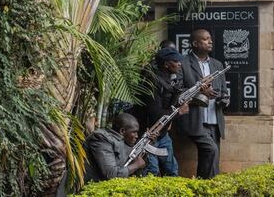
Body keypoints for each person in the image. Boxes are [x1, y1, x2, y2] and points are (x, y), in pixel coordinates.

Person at [177, 28, 229, 179]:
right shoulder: (183, 63)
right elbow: (177, 92)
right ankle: (209, 187)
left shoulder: (217, 65)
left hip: (214, 120)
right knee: (211, 150)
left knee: (212, 157)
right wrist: (200, 93)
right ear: (195, 43)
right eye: (206, 39)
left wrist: (224, 100)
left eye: (210, 39)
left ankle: (203, 185)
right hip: (195, 120)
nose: (210, 41)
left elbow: (224, 92)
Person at [138, 47, 189, 177]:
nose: (179, 64)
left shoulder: (169, 80)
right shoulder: (152, 82)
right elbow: (156, 114)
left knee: (172, 172)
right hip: (150, 135)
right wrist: (179, 112)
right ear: (166, 64)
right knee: (152, 173)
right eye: (176, 61)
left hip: (163, 134)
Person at [83, 113, 147, 183]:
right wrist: (136, 165)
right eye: (134, 132)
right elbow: (110, 174)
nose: (137, 136)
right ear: (122, 131)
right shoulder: (101, 138)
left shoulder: (123, 141)